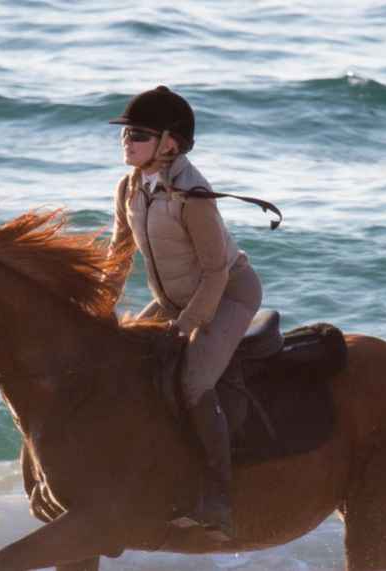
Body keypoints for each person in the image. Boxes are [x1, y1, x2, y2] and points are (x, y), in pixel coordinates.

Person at [107, 86, 262, 540]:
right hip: (175, 296)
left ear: (169, 143)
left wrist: (183, 329)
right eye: (125, 133)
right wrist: (97, 306)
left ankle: (217, 498)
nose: (126, 141)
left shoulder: (193, 195)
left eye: (137, 134)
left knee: (192, 381)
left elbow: (215, 273)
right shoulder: (130, 188)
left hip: (227, 293)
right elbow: (118, 255)